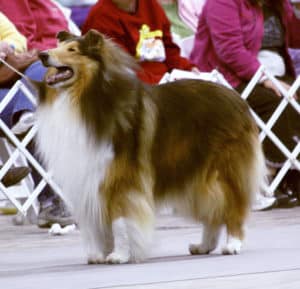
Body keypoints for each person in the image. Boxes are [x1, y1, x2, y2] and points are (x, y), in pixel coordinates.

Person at [190, 0, 300, 208]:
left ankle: (291, 173)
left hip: (275, 76)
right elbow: (230, 50)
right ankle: (271, 177)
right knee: (278, 104)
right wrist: (264, 78)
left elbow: (296, 38)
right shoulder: (222, 3)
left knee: (287, 99)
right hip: (228, 80)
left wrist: (297, 11)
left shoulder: (279, 4)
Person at [0, 1, 75, 227]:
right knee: (34, 111)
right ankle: (50, 201)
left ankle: (50, 202)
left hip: (6, 88)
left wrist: (7, 46)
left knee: (36, 95)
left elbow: (16, 38)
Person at [82, 0, 199, 84]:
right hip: (135, 91)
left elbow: (169, 49)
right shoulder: (101, 17)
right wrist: (164, 84)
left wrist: (188, 69)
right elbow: (122, 72)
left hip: (165, 82)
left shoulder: (151, 5)